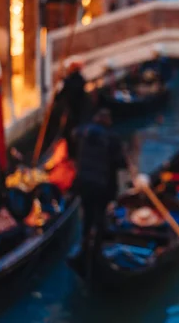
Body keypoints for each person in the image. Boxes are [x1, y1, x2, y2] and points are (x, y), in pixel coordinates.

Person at [68, 109, 126, 273]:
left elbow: (73, 134)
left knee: (87, 215)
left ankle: (86, 245)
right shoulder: (112, 138)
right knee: (100, 216)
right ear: (107, 121)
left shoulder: (83, 132)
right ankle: (97, 248)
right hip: (102, 185)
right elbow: (120, 163)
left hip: (84, 184)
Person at [55, 59, 88, 156]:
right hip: (80, 112)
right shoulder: (81, 80)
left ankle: (71, 154)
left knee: (69, 135)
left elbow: (58, 97)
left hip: (70, 113)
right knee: (77, 134)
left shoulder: (68, 82)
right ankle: (76, 153)